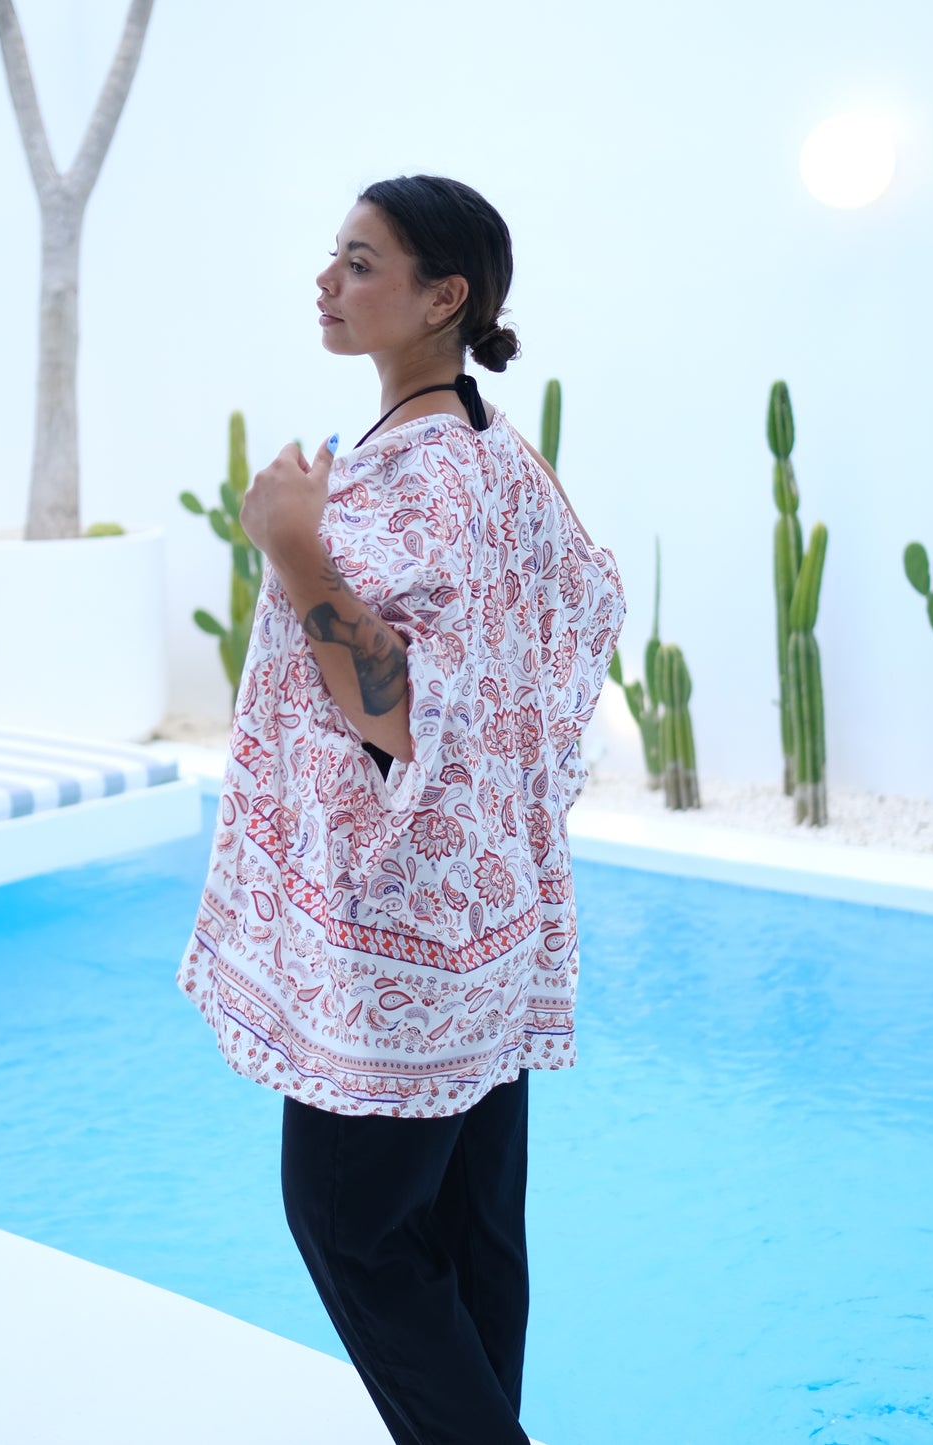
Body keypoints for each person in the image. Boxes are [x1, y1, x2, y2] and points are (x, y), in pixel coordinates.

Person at [177, 174, 626, 1445]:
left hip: (396, 947)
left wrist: (291, 545)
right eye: (333, 255)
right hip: (487, 921)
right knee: (470, 1233)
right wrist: (510, 790)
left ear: (444, 298)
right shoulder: (497, 452)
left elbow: (397, 713)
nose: (326, 280)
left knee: (350, 1227)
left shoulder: (412, 477)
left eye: (361, 261)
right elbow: (584, 604)